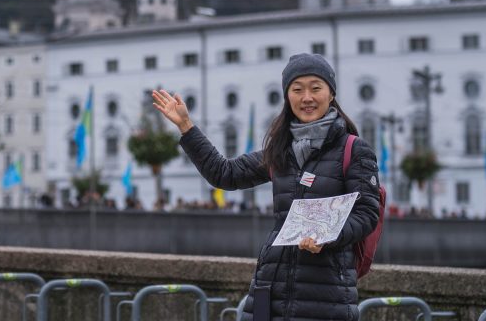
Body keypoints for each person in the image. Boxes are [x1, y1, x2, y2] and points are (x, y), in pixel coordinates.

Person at [152, 53, 380, 321]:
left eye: (316, 88)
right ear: (287, 97)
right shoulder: (279, 152)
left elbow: (367, 214)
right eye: (297, 89)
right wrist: (186, 127)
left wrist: (327, 236)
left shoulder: (354, 150)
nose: (307, 97)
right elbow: (224, 174)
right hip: (270, 290)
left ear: (331, 94)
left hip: (325, 294)